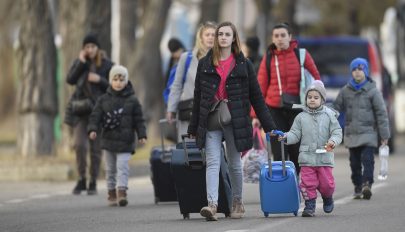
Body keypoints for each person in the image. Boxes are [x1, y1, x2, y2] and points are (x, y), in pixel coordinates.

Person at [187, 21, 278, 221]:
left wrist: (270, 126)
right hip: (211, 118)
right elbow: (198, 98)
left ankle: (237, 201)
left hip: (235, 119)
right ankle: (212, 204)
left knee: (235, 163)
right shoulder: (205, 63)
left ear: (233, 38)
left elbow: (257, 97)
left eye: (227, 34)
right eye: (220, 34)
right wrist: (193, 127)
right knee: (212, 162)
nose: (223, 37)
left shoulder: (243, 64)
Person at [252, 22, 321, 175]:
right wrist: (255, 115)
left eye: (283, 35)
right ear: (272, 38)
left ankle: (298, 184)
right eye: (276, 36)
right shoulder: (268, 58)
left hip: (297, 109)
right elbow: (259, 88)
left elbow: (317, 80)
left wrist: (316, 104)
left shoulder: (301, 55)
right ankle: (282, 185)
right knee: (279, 151)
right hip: (274, 109)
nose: (280, 39)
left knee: (296, 150)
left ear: (290, 37)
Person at [278, 80, 342, 217]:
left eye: (316, 97)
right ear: (305, 98)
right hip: (306, 158)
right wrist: (286, 137)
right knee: (307, 183)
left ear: (322, 100)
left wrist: (333, 141)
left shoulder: (329, 115)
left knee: (327, 185)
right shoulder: (301, 117)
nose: (312, 100)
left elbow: (337, 132)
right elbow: (295, 133)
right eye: (309, 97)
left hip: (324, 157)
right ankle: (310, 205)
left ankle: (327, 196)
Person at [88, 65, 147, 207]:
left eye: (121, 79)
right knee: (110, 168)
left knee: (123, 166)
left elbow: (139, 119)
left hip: (126, 141)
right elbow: (95, 116)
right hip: (108, 140)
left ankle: (122, 192)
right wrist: (93, 129)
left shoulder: (132, 100)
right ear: (110, 81)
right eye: (115, 79)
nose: (118, 82)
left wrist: (142, 134)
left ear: (126, 81)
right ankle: (111, 193)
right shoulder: (103, 100)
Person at [332, 58, 390, 200]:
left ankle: (366, 184)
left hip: (368, 133)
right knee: (354, 163)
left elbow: (381, 113)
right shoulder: (345, 91)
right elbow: (336, 108)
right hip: (352, 134)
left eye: (361, 69)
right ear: (351, 72)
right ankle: (357, 186)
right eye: (354, 69)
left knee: (368, 160)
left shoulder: (373, 91)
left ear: (366, 71)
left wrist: (384, 134)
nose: (357, 72)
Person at [64, 33, 113, 195]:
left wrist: (99, 79)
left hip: (97, 112)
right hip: (80, 111)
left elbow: (115, 87)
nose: (90, 49)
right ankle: (81, 179)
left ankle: (93, 180)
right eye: (87, 47)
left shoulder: (107, 65)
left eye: (93, 46)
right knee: (79, 145)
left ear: (98, 48)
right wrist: (81, 63)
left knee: (95, 148)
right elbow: (70, 80)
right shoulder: (80, 63)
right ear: (83, 49)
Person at [166, 21, 216, 142]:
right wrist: (171, 109)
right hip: (189, 111)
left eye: (213, 35)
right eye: (207, 34)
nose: (210, 37)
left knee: (212, 153)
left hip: (214, 112)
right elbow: (177, 85)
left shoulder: (222, 59)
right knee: (190, 152)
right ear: (201, 38)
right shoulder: (187, 58)